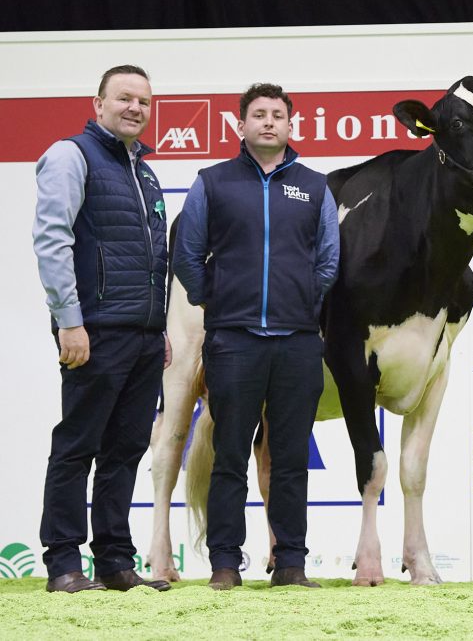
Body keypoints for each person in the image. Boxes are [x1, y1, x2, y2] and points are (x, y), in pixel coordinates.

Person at [174, 83, 339, 590]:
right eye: (259, 115)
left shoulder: (314, 186)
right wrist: (218, 303)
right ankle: (225, 563)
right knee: (229, 457)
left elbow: (328, 262)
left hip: (297, 343)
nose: (268, 122)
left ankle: (290, 563)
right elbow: (187, 255)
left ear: (291, 125)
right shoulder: (212, 182)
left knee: (289, 459)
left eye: (277, 115)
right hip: (233, 341)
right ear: (240, 125)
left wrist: (299, 305)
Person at [33, 64, 172, 593]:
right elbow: (52, 241)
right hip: (92, 330)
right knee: (78, 446)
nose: (135, 108)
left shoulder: (147, 171)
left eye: (143, 101)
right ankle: (64, 564)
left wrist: (158, 329)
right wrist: (69, 320)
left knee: (125, 449)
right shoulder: (71, 156)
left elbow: (153, 260)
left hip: (142, 336)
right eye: (124, 98)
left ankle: (115, 562)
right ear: (98, 104)